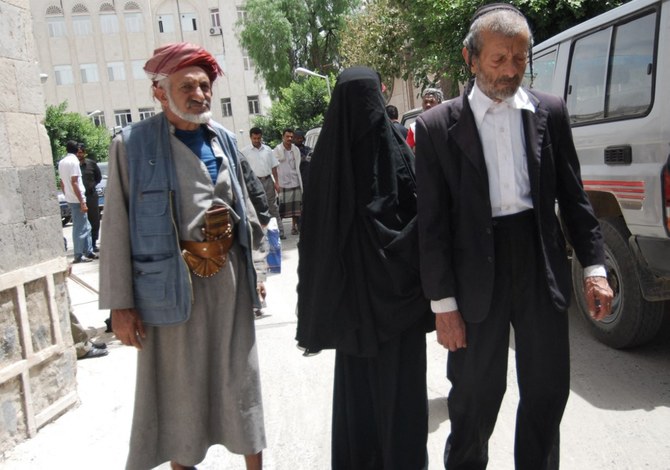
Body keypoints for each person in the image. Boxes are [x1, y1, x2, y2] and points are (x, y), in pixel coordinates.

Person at [414, 4, 614, 469]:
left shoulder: (549, 112)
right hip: (473, 275)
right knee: (474, 400)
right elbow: (433, 225)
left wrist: (596, 268)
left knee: (546, 391)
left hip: (538, 262)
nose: (509, 72)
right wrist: (443, 306)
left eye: (519, 60)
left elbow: (575, 198)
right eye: (498, 60)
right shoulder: (437, 127)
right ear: (471, 59)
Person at [98, 42, 265, 470]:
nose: (200, 95)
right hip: (169, 289)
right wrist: (121, 305)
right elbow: (116, 227)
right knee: (181, 393)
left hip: (229, 284)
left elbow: (246, 209)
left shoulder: (224, 139)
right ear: (159, 91)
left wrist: (257, 269)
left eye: (205, 85)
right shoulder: (130, 145)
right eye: (187, 85)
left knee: (239, 382)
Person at [297, 66, 434, 470]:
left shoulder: (327, 163)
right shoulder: (395, 151)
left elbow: (316, 243)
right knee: (396, 401)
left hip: (356, 312)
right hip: (392, 308)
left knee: (367, 403)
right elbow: (422, 219)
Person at [58, 140, 97, 263]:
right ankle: (78, 254)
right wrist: (82, 201)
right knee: (80, 228)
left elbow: (62, 183)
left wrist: (67, 195)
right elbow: (75, 182)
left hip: (71, 198)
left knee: (87, 226)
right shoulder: (74, 162)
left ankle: (88, 250)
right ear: (76, 150)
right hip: (77, 198)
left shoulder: (62, 162)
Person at [241, 127, 282, 237]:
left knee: (272, 207)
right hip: (254, 184)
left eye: (258, 138)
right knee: (257, 208)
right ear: (250, 138)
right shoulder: (244, 152)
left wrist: (276, 183)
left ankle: (279, 231)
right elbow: (243, 170)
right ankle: (261, 234)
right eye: (254, 138)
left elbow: (274, 167)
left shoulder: (268, 150)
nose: (257, 140)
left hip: (268, 181)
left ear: (261, 137)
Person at [272, 128, 303, 236]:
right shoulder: (277, 150)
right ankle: (280, 230)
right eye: (287, 136)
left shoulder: (295, 150)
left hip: (295, 181)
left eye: (291, 137)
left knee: (296, 208)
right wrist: (275, 182)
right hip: (282, 182)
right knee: (281, 208)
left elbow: (298, 166)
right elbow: (273, 167)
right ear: (283, 137)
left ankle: (294, 227)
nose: (289, 138)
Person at [76, 143, 102, 253]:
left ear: (84, 153)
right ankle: (83, 246)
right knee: (81, 222)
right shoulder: (74, 165)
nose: (79, 155)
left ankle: (93, 243)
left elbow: (98, 178)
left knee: (94, 220)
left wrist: (91, 186)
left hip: (91, 196)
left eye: (81, 152)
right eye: (77, 152)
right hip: (79, 197)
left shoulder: (91, 164)